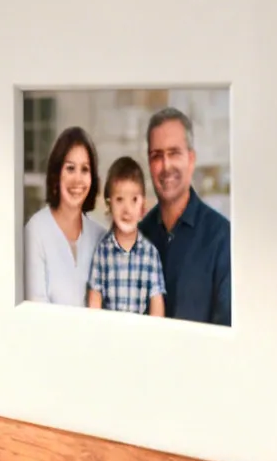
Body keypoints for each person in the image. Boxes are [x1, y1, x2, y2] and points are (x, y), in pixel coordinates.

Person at [138, 107, 231, 325]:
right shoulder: (139, 236)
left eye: (174, 153)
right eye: (157, 156)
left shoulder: (222, 239)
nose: (166, 165)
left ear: (191, 159)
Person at [22, 126, 103, 307]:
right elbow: (36, 313)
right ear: (56, 174)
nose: (77, 179)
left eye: (85, 169)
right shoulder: (35, 231)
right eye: (70, 168)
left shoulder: (101, 237)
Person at [86, 157, 166, 316]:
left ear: (143, 205)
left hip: (140, 335)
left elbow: (157, 302)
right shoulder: (102, 252)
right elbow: (95, 299)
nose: (127, 209)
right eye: (119, 200)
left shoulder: (150, 254)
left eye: (134, 200)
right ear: (109, 204)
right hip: (109, 334)